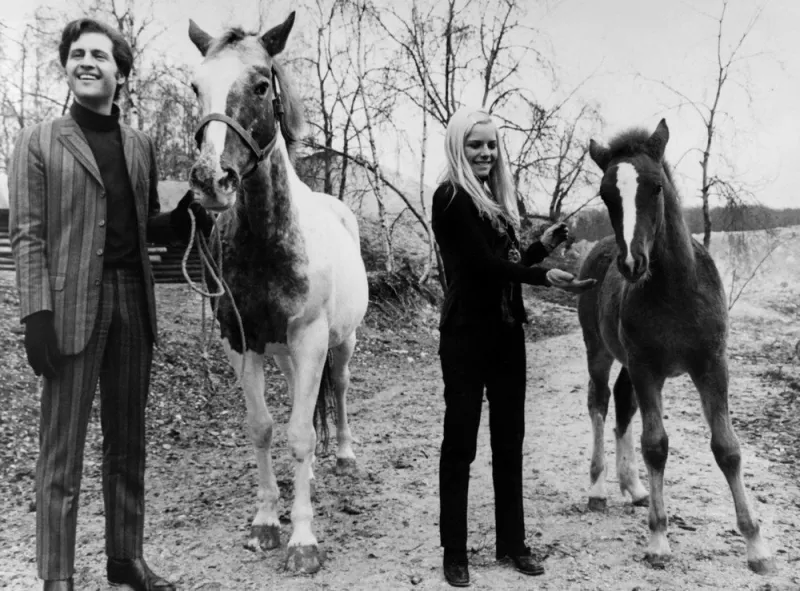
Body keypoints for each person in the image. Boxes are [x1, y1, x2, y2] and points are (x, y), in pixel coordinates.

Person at [8, 18, 213, 591]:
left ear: (121, 72)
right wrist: (36, 314)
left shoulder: (140, 144)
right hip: (70, 309)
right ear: (67, 67)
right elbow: (28, 235)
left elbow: (140, 220)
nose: (86, 62)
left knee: (128, 445)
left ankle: (126, 560)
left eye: (99, 54)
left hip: (132, 302)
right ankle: (57, 578)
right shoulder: (38, 141)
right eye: (76, 54)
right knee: (61, 454)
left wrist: (178, 220)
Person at [432, 107, 595, 587]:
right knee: (459, 445)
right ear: (458, 147)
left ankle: (511, 543)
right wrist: (544, 277)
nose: (485, 153)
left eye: (490, 145)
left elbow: (507, 266)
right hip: (465, 335)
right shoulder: (450, 197)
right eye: (475, 144)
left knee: (509, 441)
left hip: (506, 335)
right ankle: (455, 552)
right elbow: (482, 269)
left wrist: (539, 249)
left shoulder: (493, 199)